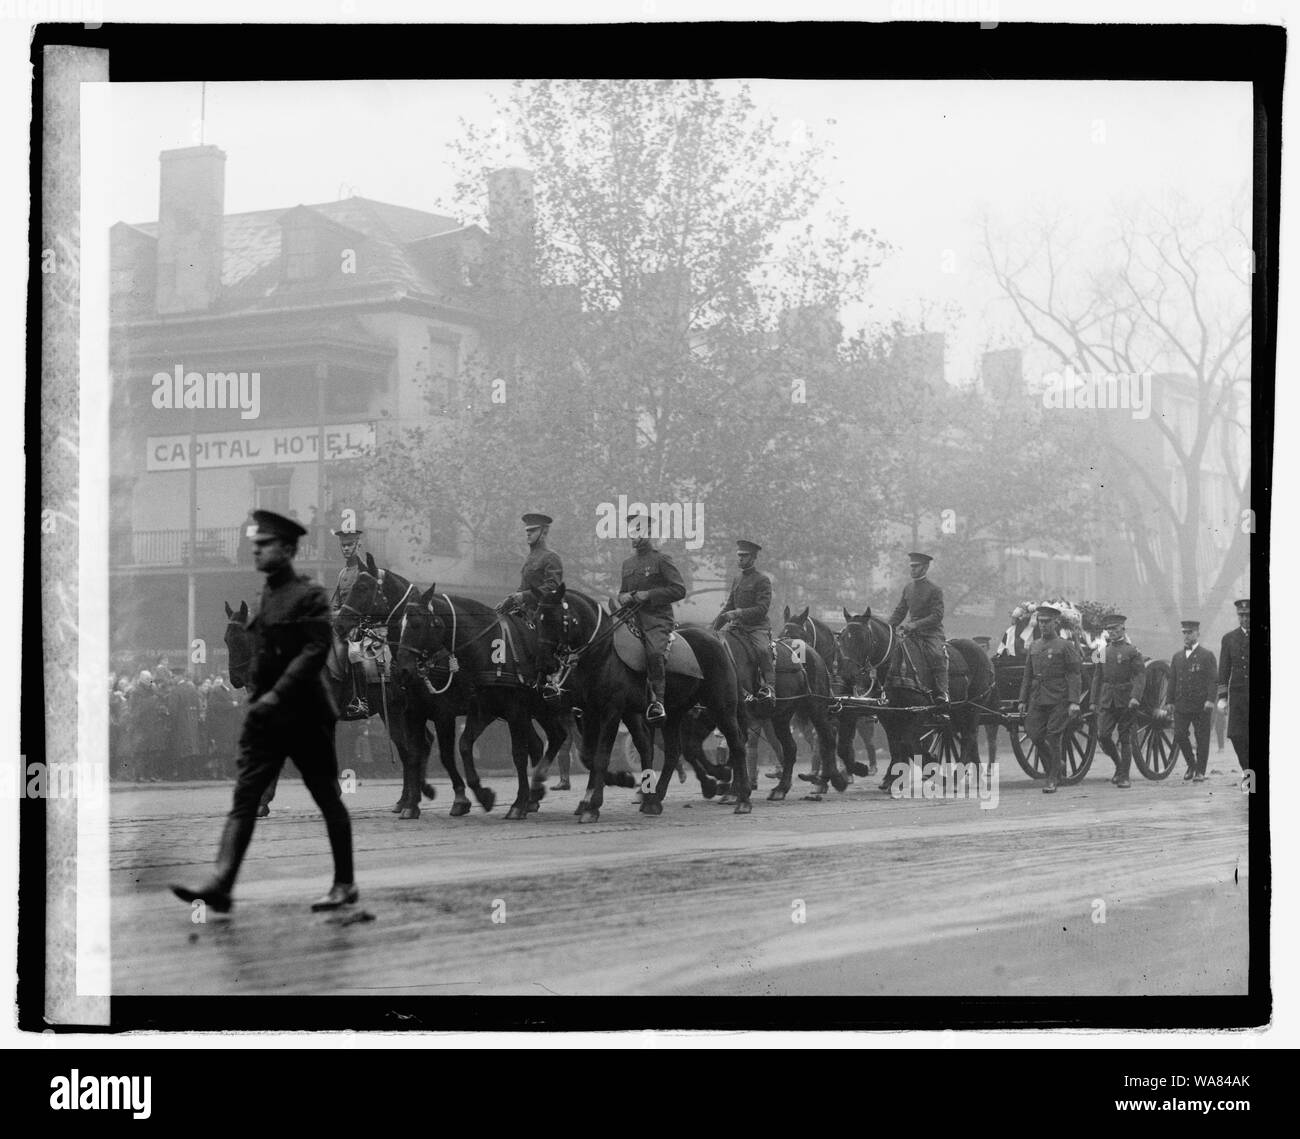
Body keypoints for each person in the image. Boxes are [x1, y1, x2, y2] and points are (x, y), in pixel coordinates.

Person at [171, 509, 357, 913]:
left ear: (288, 549)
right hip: (270, 718)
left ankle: (344, 884)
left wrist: (275, 695)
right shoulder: (264, 599)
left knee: (327, 798)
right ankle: (221, 883)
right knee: (245, 797)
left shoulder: (310, 595)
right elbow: (262, 659)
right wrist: (256, 700)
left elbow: (313, 653)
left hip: (307, 714)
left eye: (265, 544)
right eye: (255, 544)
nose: (256, 550)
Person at [617, 511, 687, 723]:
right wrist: (623, 597)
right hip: (630, 618)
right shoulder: (627, 564)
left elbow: (679, 590)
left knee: (654, 652)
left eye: (637, 530)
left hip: (656, 619)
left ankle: (658, 701)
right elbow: (621, 592)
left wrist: (649, 595)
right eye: (631, 531)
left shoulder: (662, 560)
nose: (633, 535)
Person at [1017, 604, 1082, 794]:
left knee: (1053, 736)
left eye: (1047, 622)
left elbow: (1074, 674)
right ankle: (1057, 763)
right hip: (1037, 697)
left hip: (1058, 698)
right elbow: (1027, 675)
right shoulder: (1035, 646)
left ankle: (1052, 777)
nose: (1043, 625)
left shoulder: (1065, 646)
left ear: (1055, 623)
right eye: (1040, 622)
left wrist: (1074, 701)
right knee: (1034, 733)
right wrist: (1022, 700)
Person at [712, 539, 775, 704]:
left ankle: (769, 688)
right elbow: (729, 606)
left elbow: (762, 608)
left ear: (753, 558)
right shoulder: (737, 578)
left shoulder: (762, 580)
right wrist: (713, 627)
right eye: (739, 555)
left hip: (756, 628)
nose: (740, 559)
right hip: (736, 628)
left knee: (762, 650)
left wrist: (738, 613)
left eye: (744, 556)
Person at [1090, 613, 1146, 789]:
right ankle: (1119, 764)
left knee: (1125, 738)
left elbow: (1140, 675)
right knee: (1103, 735)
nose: (1112, 632)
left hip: (1125, 700)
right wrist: (1093, 700)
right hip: (1107, 700)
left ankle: (1124, 776)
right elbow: (1097, 677)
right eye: (1109, 629)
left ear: (1123, 629)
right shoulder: (1102, 652)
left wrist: (1135, 697)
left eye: (1115, 628)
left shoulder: (1132, 651)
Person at [889, 552, 948, 702]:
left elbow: (937, 616)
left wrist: (915, 624)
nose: (912, 570)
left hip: (931, 633)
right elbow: (900, 611)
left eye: (916, 566)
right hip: (911, 633)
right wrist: (888, 626)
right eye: (911, 566)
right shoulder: (908, 588)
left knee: (936, 654)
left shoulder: (934, 589)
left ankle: (943, 692)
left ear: (925, 567)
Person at [1169, 619, 1217, 783]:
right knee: (1179, 734)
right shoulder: (1177, 656)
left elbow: (1213, 680)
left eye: (1190, 632)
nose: (1187, 635)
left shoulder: (1207, 655)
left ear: (1197, 633)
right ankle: (1191, 764)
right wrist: (1169, 701)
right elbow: (1172, 681)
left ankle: (1200, 771)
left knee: (1202, 737)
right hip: (1181, 704)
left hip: (1201, 705)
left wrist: (1210, 700)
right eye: (1184, 632)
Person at [329, 527, 369, 717]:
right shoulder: (342, 573)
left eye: (349, 545)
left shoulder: (364, 572)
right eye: (343, 546)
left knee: (353, 653)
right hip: (342, 624)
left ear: (357, 545)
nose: (345, 549)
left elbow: (366, 601)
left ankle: (361, 700)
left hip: (360, 624)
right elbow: (336, 601)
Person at [502, 511, 563, 615]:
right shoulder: (530, 558)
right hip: (525, 610)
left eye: (533, 530)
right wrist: (511, 599)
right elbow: (524, 586)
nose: (528, 533)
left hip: (543, 613)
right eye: (527, 531)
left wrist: (524, 596)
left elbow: (552, 587)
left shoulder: (551, 557)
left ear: (544, 533)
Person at [1217, 598, 1250, 771]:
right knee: (1237, 736)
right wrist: (1222, 697)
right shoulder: (1229, 639)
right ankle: (1248, 772)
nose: (1245, 619)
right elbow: (1223, 669)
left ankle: (1252, 782)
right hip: (1237, 696)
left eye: (1248, 615)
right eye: (1242, 615)